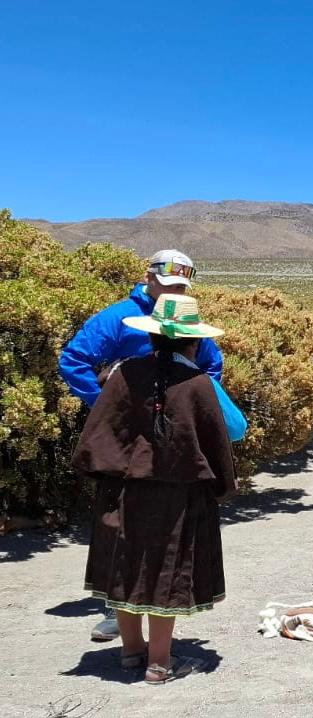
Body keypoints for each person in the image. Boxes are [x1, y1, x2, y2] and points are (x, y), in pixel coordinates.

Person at [59, 249, 224, 643]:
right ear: (148, 278)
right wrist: (108, 408)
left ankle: (151, 611)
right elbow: (74, 360)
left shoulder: (185, 316)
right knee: (123, 520)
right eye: (168, 285)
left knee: (165, 522)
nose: (173, 290)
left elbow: (212, 366)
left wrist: (194, 404)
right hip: (128, 439)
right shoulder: (117, 318)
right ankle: (118, 610)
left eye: (181, 286)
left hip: (172, 439)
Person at [73, 294, 236, 684]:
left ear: (153, 338)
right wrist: (222, 488)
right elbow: (216, 445)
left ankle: (131, 652)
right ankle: (160, 663)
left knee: (127, 566)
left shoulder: (122, 376)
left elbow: (97, 436)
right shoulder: (199, 384)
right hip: (177, 500)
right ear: (193, 342)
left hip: (123, 493)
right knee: (167, 570)